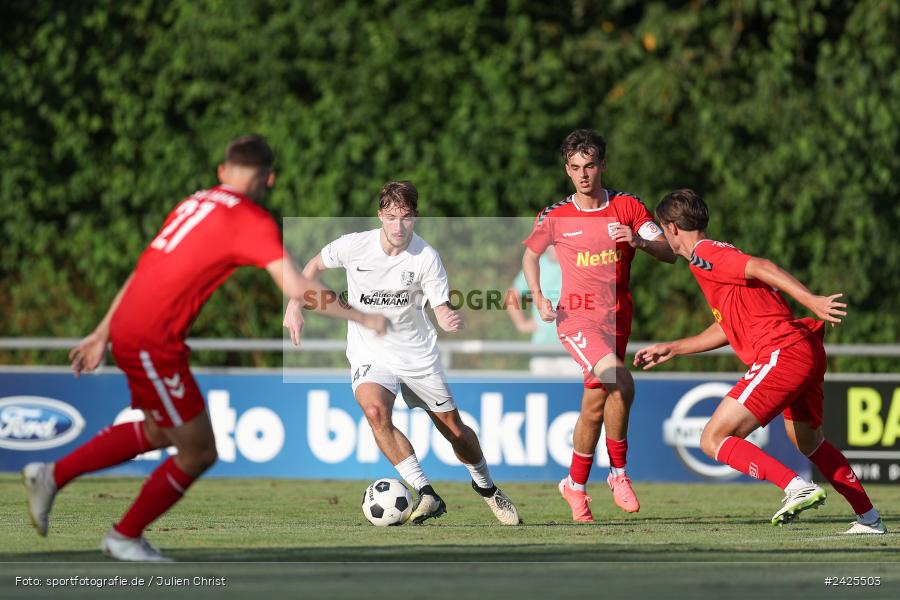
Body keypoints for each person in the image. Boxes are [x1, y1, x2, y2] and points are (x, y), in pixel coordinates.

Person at [22, 135, 388, 562]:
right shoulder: (250, 219)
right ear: (268, 179)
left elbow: (146, 268)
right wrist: (362, 316)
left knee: (161, 431)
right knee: (199, 450)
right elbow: (297, 287)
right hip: (151, 340)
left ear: (222, 171)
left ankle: (51, 475)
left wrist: (103, 331)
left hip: (133, 330)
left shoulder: (192, 203)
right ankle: (123, 535)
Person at [635, 188, 885, 533]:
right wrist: (675, 347)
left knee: (712, 438)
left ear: (672, 228)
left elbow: (761, 266)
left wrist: (811, 300)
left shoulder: (705, 252)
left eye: (663, 230)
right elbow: (727, 325)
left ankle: (796, 487)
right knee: (809, 442)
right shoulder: (708, 260)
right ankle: (869, 520)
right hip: (803, 350)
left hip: (783, 351)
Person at [283, 180, 521, 526]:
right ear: (380, 215)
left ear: (416, 217)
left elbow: (439, 306)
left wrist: (447, 317)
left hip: (416, 355)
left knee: (454, 431)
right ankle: (427, 492)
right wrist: (294, 305)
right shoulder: (355, 246)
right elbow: (314, 266)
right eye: (391, 216)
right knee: (374, 410)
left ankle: (486, 488)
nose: (398, 225)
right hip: (370, 351)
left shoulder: (426, 257)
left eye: (406, 217)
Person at [522, 129, 676, 523]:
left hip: (617, 320)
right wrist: (539, 296)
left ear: (602, 166)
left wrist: (639, 242)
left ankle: (574, 485)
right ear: (567, 170)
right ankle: (619, 474)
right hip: (576, 319)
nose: (583, 175)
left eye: (590, 166)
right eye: (575, 168)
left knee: (594, 406)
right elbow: (530, 256)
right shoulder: (555, 216)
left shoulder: (627, 207)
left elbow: (669, 252)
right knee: (622, 383)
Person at [505, 246, 582, 376]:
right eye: (551, 242)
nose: (556, 247)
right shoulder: (535, 265)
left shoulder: (578, 264)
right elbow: (511, 296)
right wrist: (522, 324)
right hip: (542, 350)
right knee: (542, 393)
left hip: (575, 349)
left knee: (576, 395)